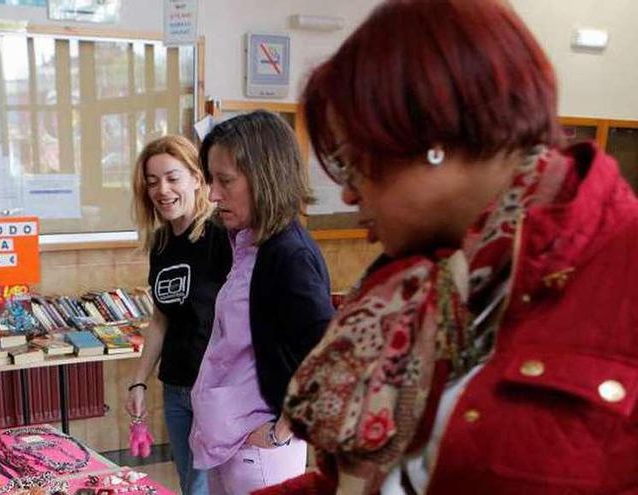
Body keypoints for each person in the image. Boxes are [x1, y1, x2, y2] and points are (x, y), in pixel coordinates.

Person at [266, 1, 638, 494]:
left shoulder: (618, 269)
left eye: (355, 162)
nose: (351, 193)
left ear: (432, 138)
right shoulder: (423, 286)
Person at [189, 110, 335, 495]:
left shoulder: (289, 255)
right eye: (210, 180)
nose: (213, 194)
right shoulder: (245, 240)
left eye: (225, 181)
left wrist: (280, 429)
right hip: (231, 439)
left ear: (264, 177)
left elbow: (328, 356)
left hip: (260, 447)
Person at [126, 135, 232, 495]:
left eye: (173, 178)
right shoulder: (160, 244)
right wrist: (139, 380)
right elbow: (160, 320)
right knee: (192, 487)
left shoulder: (223, 237)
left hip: (217, 390)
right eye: (152, 182)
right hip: (175, 388)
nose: (162, 190)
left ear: (197, 178)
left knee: (207, 489)